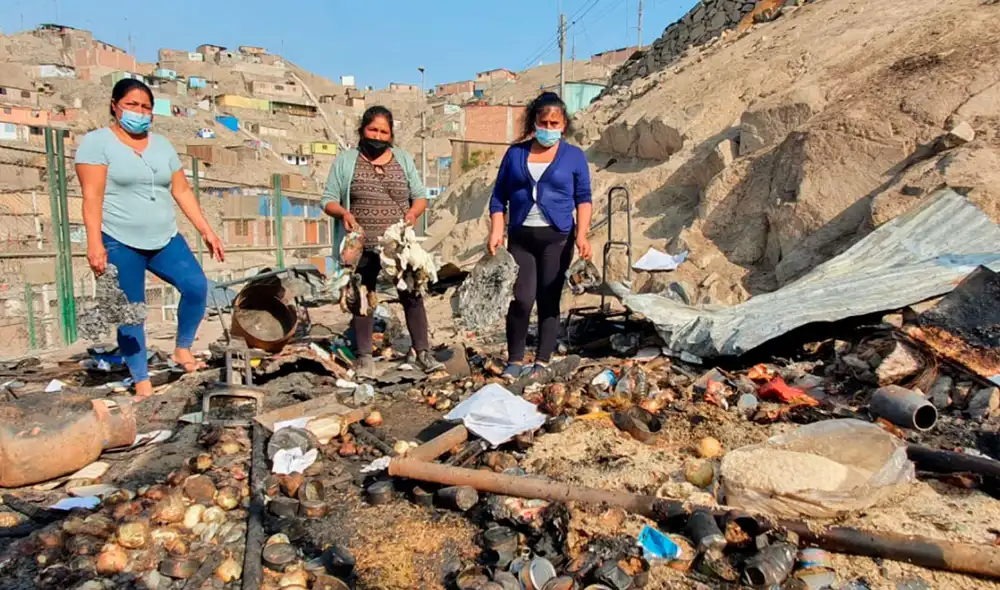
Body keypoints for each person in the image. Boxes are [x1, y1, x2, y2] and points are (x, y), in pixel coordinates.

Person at [75, 79, 224, 400]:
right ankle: (141, 380)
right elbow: (91, 197)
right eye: (132, 105)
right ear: (115, 105)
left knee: (197, 286)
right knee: (131, 312)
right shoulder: (96, 143)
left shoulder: (162, 146)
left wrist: (206, 230)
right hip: (119, 238)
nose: (139, 113)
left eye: (145, 107)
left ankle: (183, 349)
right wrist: (94, 243)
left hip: (164, 237)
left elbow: (181, 190)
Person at [321, 105, 444, 378]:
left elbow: (420, 195)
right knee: (361, 298)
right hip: (360, 242)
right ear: (362, 130)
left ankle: (422, 352)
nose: (377, 135)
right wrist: (343, 213)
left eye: (383, 131)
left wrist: (413, 213)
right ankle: (365, 357)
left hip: (398, 245)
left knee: (412, 293)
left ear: (391, 135)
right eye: (372, 129)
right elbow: (327, 199)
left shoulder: (403, 159)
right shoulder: (346, 161)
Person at [487, 92, 593, 380]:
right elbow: (499, 197)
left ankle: (543, 359)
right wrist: (497, 229)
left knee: (549, 298)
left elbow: (584, 199)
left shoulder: (574, 156)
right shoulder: (516, 154)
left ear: (564, 124)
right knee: (521, 298)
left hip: (558, 238)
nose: (548, 128)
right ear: (534, 121)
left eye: (554, 122)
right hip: (521, 237)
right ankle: (515, 358)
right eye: (543, 122)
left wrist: (582, 235)